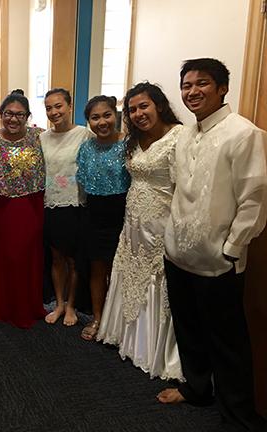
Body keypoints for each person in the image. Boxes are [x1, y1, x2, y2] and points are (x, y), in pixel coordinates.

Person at [158, 58, 267, 432]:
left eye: (201, 84)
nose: (192, 92)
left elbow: (254, 197)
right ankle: (197, 388)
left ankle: (239, 417)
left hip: (218, 259)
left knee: (228, 343)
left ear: (222, 88)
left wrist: (232, 248)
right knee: (188, 330)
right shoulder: (186, 133)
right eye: (186, 85)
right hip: (178, 252)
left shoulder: (244, 133)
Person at [96, 83, 183, 381]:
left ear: (159, 104)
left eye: (143, 106)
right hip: (133, 223)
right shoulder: (134, 141)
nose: (138, 113)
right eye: (132, 110)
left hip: (161, 223)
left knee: (157, 281)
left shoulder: (179, 137)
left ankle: (154, 350)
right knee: (129, 274)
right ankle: (128, 339)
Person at [0, 89, 47, 328]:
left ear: (28, 116)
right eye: (8, 114)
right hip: (2, 206)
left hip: (32, 205)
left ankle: (29, 305)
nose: (13, 119)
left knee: (29, 256)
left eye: (20, 115)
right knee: (6, 257)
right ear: (1, 114)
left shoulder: (39, 137)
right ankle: (4, 306)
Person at [76, 96, 130, 341]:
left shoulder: (129, 144)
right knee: (97, 269)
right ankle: (98, 318)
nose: (102, 122)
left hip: (124, 214)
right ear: (88, 121)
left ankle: (120, 324)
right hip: (95, 214)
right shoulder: (87, 146)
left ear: (115, 114)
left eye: (106, 115)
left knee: (121, 271)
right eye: (95, 118)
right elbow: (83, 180)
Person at [40, 88, 93, 326]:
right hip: (50, 203)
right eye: (49, 108)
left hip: (75, 203)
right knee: (56, 257)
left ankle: (72, 305)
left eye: (58, 106)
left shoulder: (84, 134)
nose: (54, 112)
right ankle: (59, 303)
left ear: (70, 106)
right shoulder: (42, 137)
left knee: (73, 259)